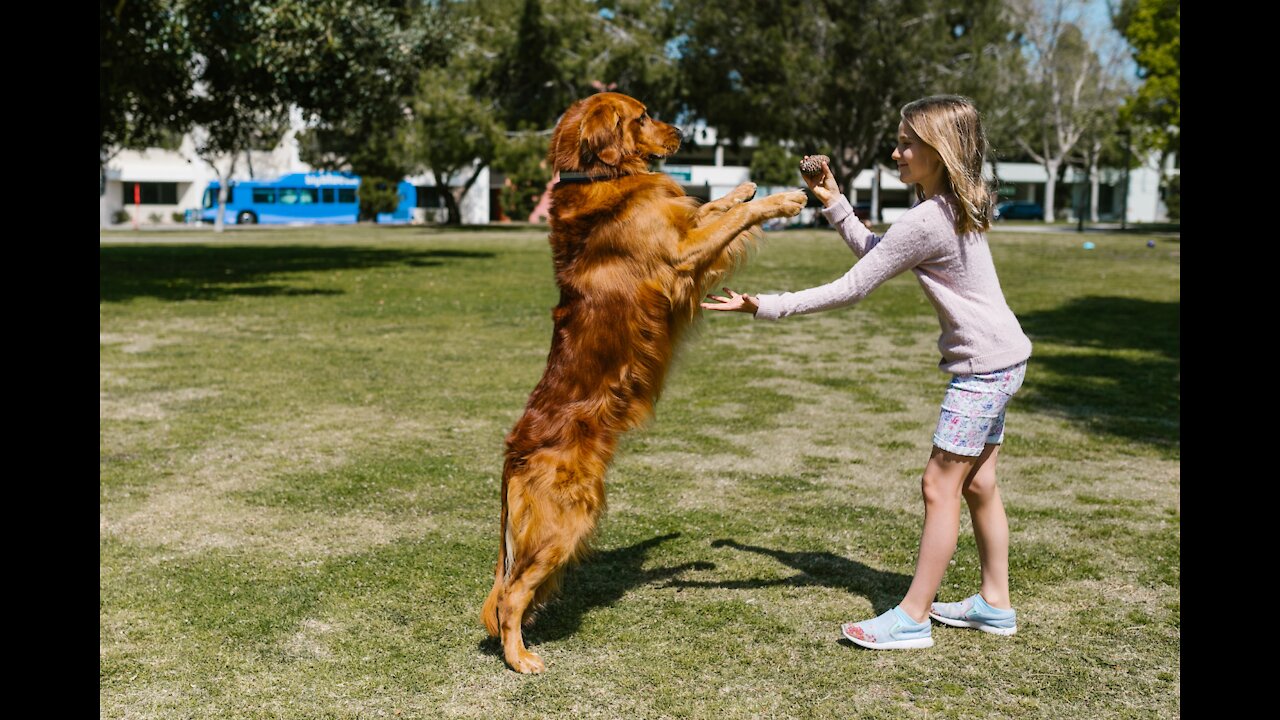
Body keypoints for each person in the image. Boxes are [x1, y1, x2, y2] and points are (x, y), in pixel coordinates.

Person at [702, 95, 1032, 650]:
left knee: (939, 485)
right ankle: (994, 603)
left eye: (907, 143)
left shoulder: (930, 216)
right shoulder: (949, 207)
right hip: (1004, 359)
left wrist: (766, 304)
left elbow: (854, 285)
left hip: (981, 370)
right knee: (979, 483)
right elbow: (878, 253)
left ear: (939, 151)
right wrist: (835, 204)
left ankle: (912, 617)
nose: (896, 151)